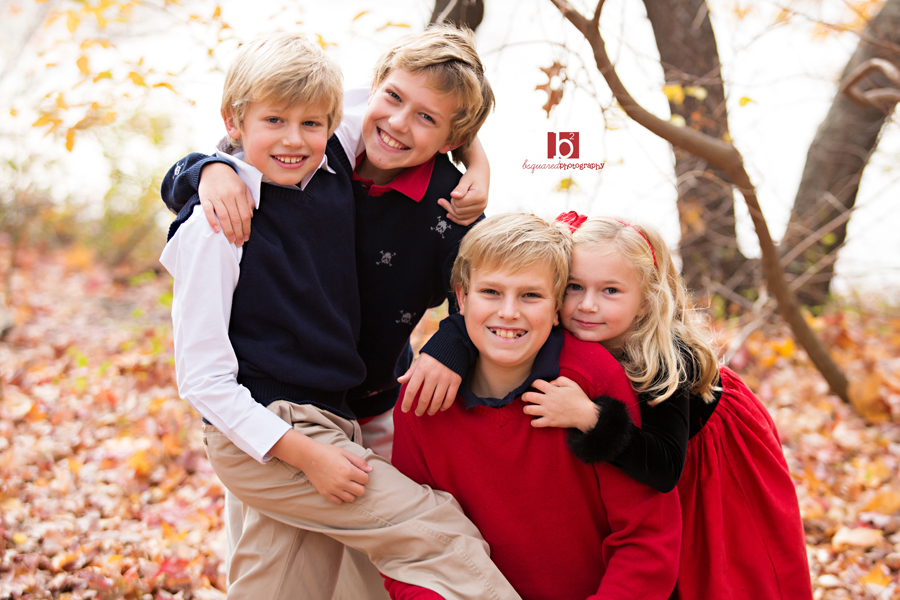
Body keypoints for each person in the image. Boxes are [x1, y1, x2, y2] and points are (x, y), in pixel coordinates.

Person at [159, 31, 520, 600]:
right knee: (442, 536)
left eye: (311, 124)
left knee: (290, 586)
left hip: (345, 413)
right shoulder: (227, 215)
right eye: (275, 122)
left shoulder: (348, 164)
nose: (295, 138)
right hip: (277, 426)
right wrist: (206, 167)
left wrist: (477, 158)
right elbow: (202, 379)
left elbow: (480, 291)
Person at [518, 213, 814, 599]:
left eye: (610, 291)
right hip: (650, 456)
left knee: (724, 577)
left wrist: (590, 417)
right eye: (575, 286)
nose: (587, 305)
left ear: (645, 301)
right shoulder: (567, 333)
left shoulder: (667, 359)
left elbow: (665, 468)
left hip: (708, 465)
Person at [388, 213, 681, 600]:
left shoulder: (592, 378)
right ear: (461, 297)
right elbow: (412, 544)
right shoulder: (423, 398)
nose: (509, 312)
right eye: (491, 292)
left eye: (531, 295)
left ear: (557, 304)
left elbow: (646, 537)